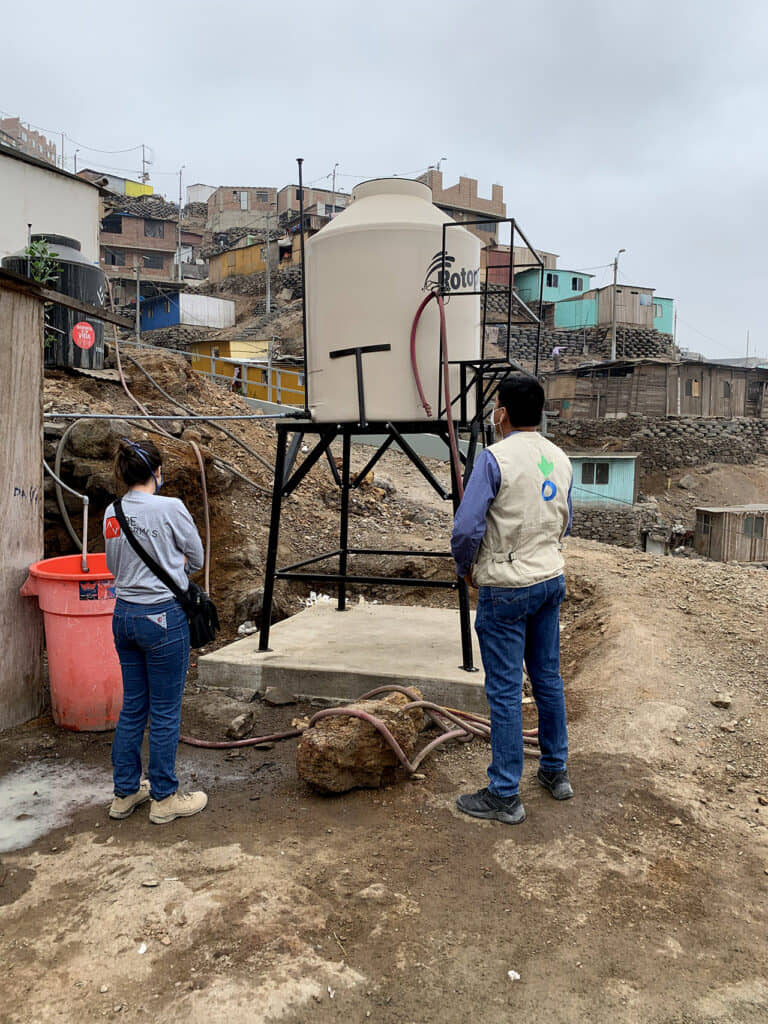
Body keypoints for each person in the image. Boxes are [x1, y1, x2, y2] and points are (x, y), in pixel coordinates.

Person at [451, 373, 574, 826]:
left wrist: (465, 567)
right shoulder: (560, 459)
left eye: (495, 405)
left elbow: (466, 529)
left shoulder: (492, 459)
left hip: (506, 586)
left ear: (501, 411)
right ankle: (555, 772)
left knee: (504, 692)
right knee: (547, 678)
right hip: (549, 579)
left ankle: (505, 794)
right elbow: (566, 519)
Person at [104, 438, 208, 825]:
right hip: (162, 617)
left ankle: (125, 792)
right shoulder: (171, 507)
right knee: (164, 711)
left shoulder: (111, 512)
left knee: (134, 707)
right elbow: (195, 558)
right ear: (157, 472)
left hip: (123, 617)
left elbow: (114, 568)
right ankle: (164, 798)